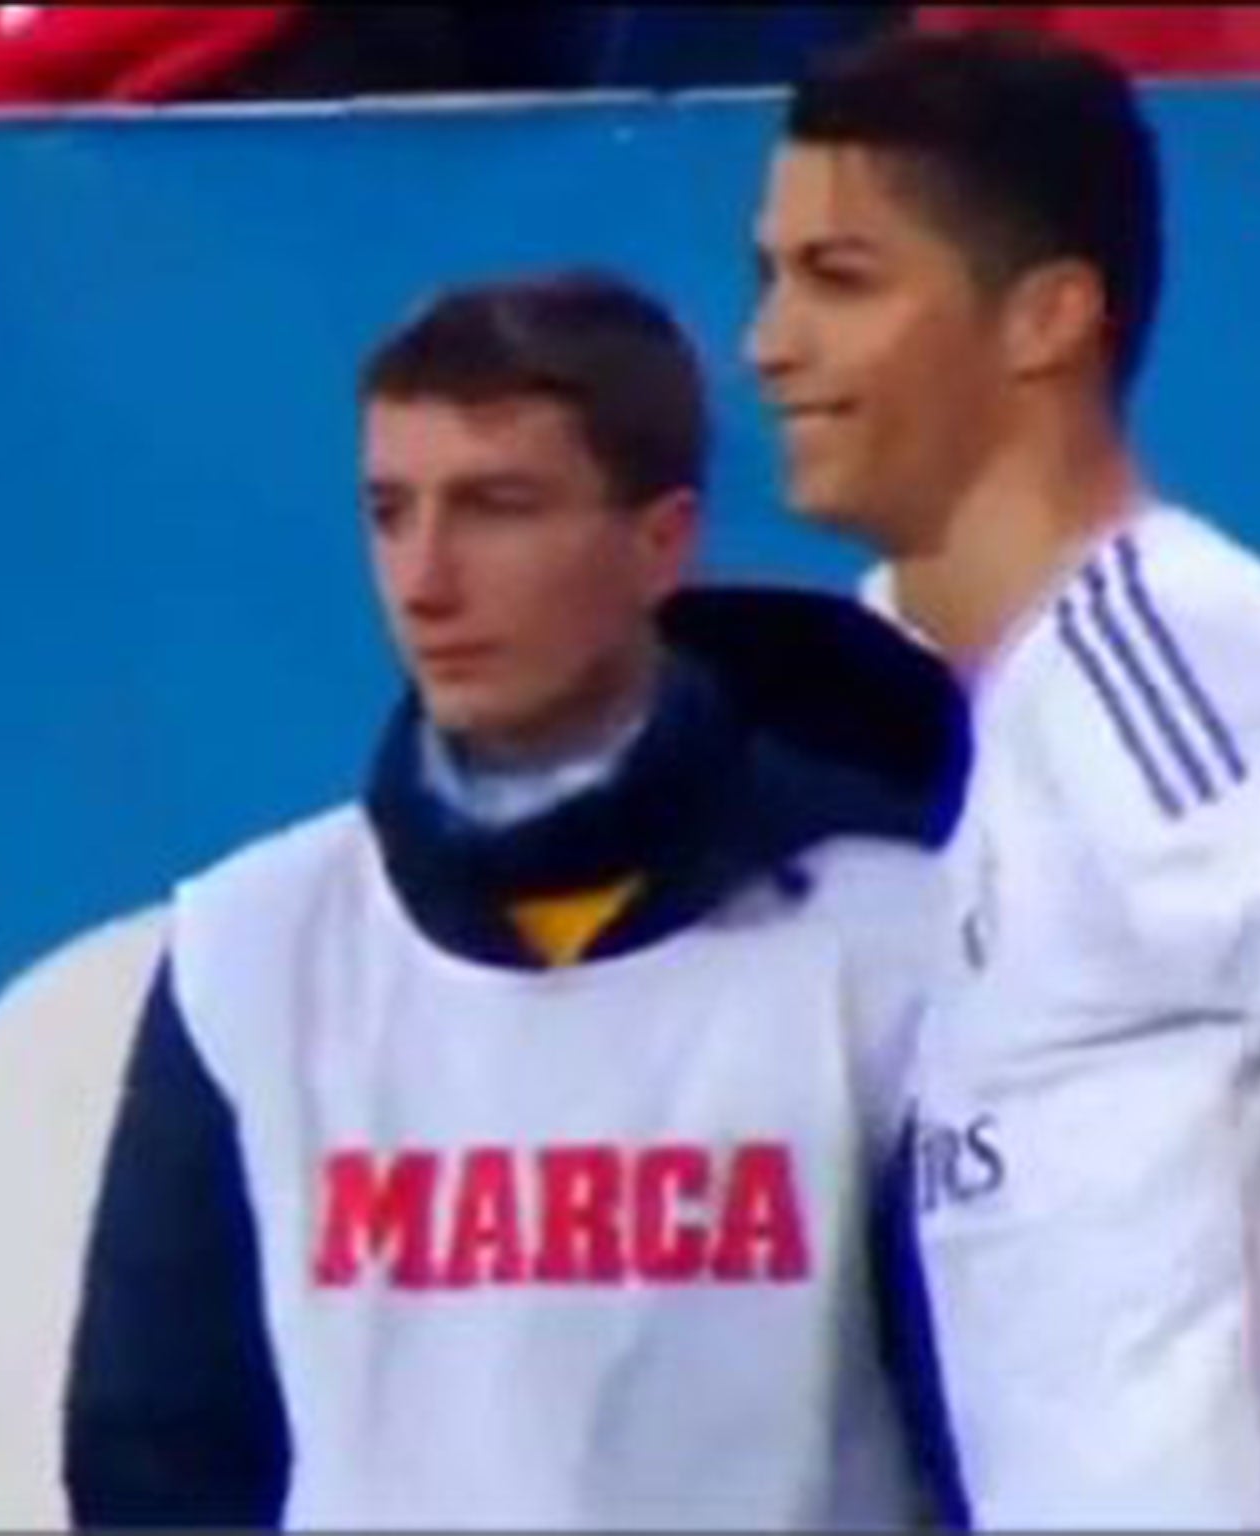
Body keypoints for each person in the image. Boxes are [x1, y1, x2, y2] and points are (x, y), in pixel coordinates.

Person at [747, 28, 1260, 1531]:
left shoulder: (1155, 645)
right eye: (771, 276)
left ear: (1046, 318)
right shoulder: (901, 690)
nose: (769, 343)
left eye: (841, 280)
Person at [59, 269, 972, 1529]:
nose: (424, 581)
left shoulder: (890, 949)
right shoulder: (253, 948)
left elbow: (1002, 1435)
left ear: (660, 542)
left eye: (494, 508)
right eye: (388, 512)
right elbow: (161, 1467)